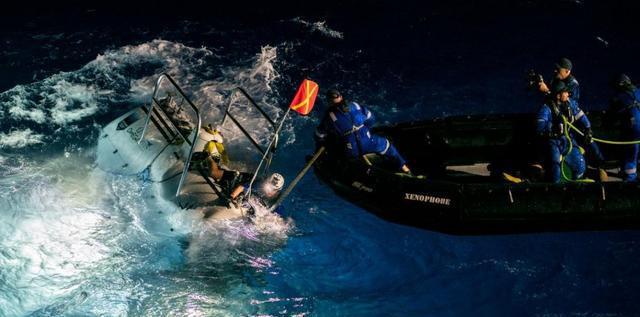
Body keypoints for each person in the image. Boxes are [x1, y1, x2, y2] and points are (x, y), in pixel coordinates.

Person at [315, 88, 411, 174]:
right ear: (341, 96)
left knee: (338, 151)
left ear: (329, 102)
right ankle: (406, 170)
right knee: (388, 146)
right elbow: (371, 118)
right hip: (369, 142)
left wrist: (324, 142)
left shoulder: (329, 117)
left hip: (352, 150)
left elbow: (320, 135)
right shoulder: (354, 105)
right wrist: (365, 130)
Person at [536, 81, 590, 182]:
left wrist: (588, 129)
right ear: (558, 95)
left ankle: (576, 186)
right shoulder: (546, 109)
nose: (567, 94)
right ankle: (555, 189)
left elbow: (581, 116)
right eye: (565, 92)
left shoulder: (570, 104)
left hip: (568, 140)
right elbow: (540, 127)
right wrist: (549, 132)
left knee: (580, 166)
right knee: (555, 169)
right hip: (553, 142)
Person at [608, 74, 640, 182]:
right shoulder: (638, 91)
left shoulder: (619, 97)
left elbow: (612, 117)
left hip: (633, 130)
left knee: (630, 152)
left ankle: (630, 179)